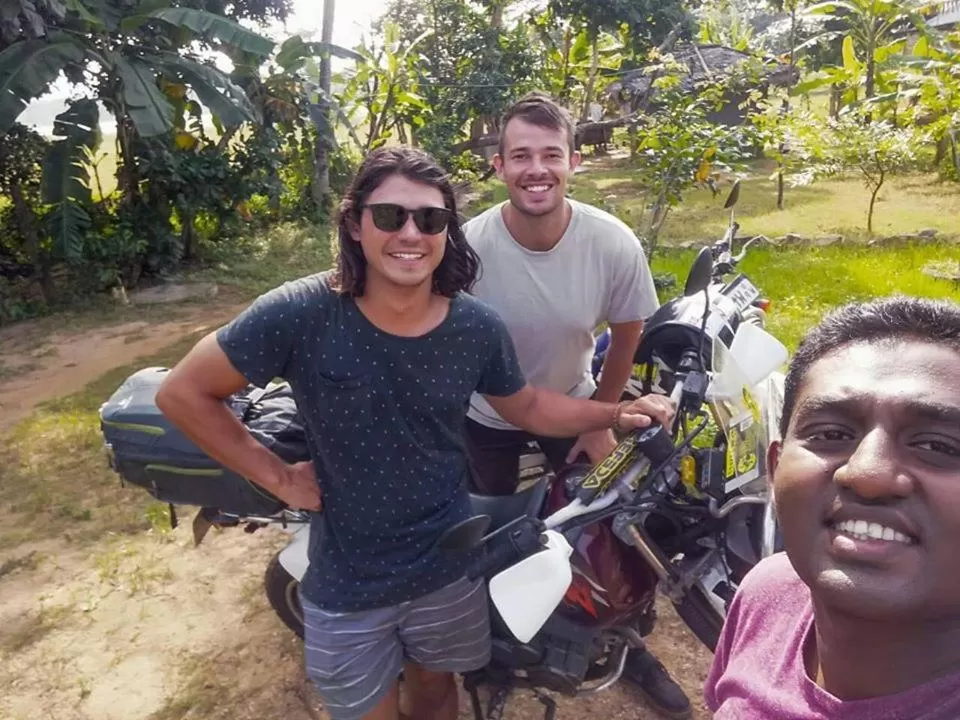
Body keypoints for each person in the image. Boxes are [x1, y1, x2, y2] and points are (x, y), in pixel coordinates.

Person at [155, 146, 675, 720]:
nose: (411, 233)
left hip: (448, 562)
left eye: (430, 219)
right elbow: (183, 392)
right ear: (355, 224)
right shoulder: (301, 313)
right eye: (389, 216)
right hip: (348, 574)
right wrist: (278, 477)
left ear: (447, 233)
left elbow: (526, 405)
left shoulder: (474, 326)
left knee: (435, 692)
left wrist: (611, 414)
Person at [462, 91, 691, 718]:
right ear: (499, 166)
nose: (536, 169)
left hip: (580, 405)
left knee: (611, 526)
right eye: (520, 156)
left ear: (574, 162)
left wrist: (604, 416)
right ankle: (502, 638)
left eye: (551, 154)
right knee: (507, 530)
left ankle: (630, 644)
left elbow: (627, 331)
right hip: (490, 421)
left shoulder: (611, 242)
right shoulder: (468, 249)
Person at [706, 295, 960, 719]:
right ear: (774, 471)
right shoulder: (768, 593)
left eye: (938, 445)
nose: (867, 473)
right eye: (829, 434)